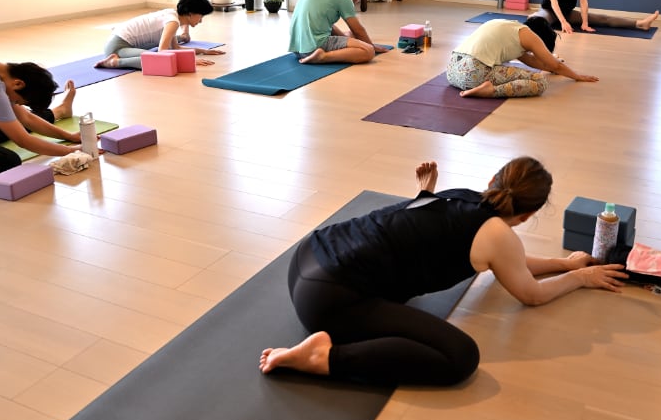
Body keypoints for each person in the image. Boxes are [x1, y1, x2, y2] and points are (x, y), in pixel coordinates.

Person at [259, 157, 629, 387]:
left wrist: (565, 264)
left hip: (308, 255)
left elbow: (511, 262)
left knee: (395, 278)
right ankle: (323, 358)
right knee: (460, 356)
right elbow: (531, 293)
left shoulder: (461, 195)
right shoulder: (497, 236)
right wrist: (580, 278)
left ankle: (325, 346)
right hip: (328, 300)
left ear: (492, 181)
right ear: (529, 214)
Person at [447, 16, 598, 98]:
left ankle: (483, 87)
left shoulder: (507, 26)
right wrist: (577, 76)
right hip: (473, 75)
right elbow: (555, 64)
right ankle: (491, 91)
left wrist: (553, 69)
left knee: (506, 68)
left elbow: (531, 60)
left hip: (452, 71)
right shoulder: (529, 36)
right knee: (540, 82)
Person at [95, 0, 225, 69]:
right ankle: (114, 62)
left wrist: (203, 51)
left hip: (121, 42)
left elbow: (175, 48)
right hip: (117, 46)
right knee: (160, 60)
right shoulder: (173, 22)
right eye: (201, 16)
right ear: (190, 13)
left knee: (164, 55)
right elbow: (162, 52)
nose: (201, 21)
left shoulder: (173, 16)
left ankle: (116, 60)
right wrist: (191, 61)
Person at [288, 0, 390, 64]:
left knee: (350, 34)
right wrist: (372, 46)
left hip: (297, 49)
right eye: (353, 2)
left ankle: (319, 53)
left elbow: (330, 26)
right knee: (368, 51)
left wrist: (346, 38)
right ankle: (323, 56)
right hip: (313, 48)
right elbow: (358, 30)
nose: (352, 5)